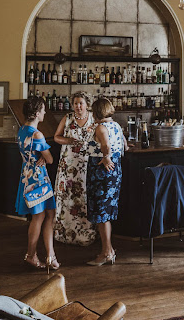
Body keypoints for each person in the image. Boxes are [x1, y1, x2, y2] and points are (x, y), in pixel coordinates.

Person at [15, 96, 60, 272]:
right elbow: (49, 159)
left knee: (45, 215)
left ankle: (49, 255)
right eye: (42, 109)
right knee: (42, 216)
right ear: (36, 112)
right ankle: (32, 255)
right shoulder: (37, 134)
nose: (44, 112)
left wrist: (40, 156)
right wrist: (43, 156)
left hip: (27, 178)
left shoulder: (22, 130)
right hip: (39, 180)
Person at [85, 97, 128, 265]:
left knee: (102, 213)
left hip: (101, 172)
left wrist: (106, 157)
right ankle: (108, 250)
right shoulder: (116, 125)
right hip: (114, 172)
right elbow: (124, 145)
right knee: (106, 212)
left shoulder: (101, 127)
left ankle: (106, 252)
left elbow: (106, 146)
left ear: (96, 112)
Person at [54, 92, 97, 245]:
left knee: (84, 197)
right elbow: (56, 137)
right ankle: (63, 233)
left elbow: (105, 135)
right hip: (68, 165)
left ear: (87, 104)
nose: (78, 106)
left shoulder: (94, 118)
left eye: (81, 103)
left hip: (86, 165)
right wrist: (68, 140)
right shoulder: (67, 118)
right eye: (76, 103)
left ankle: (85, 235)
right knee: (67, 197)